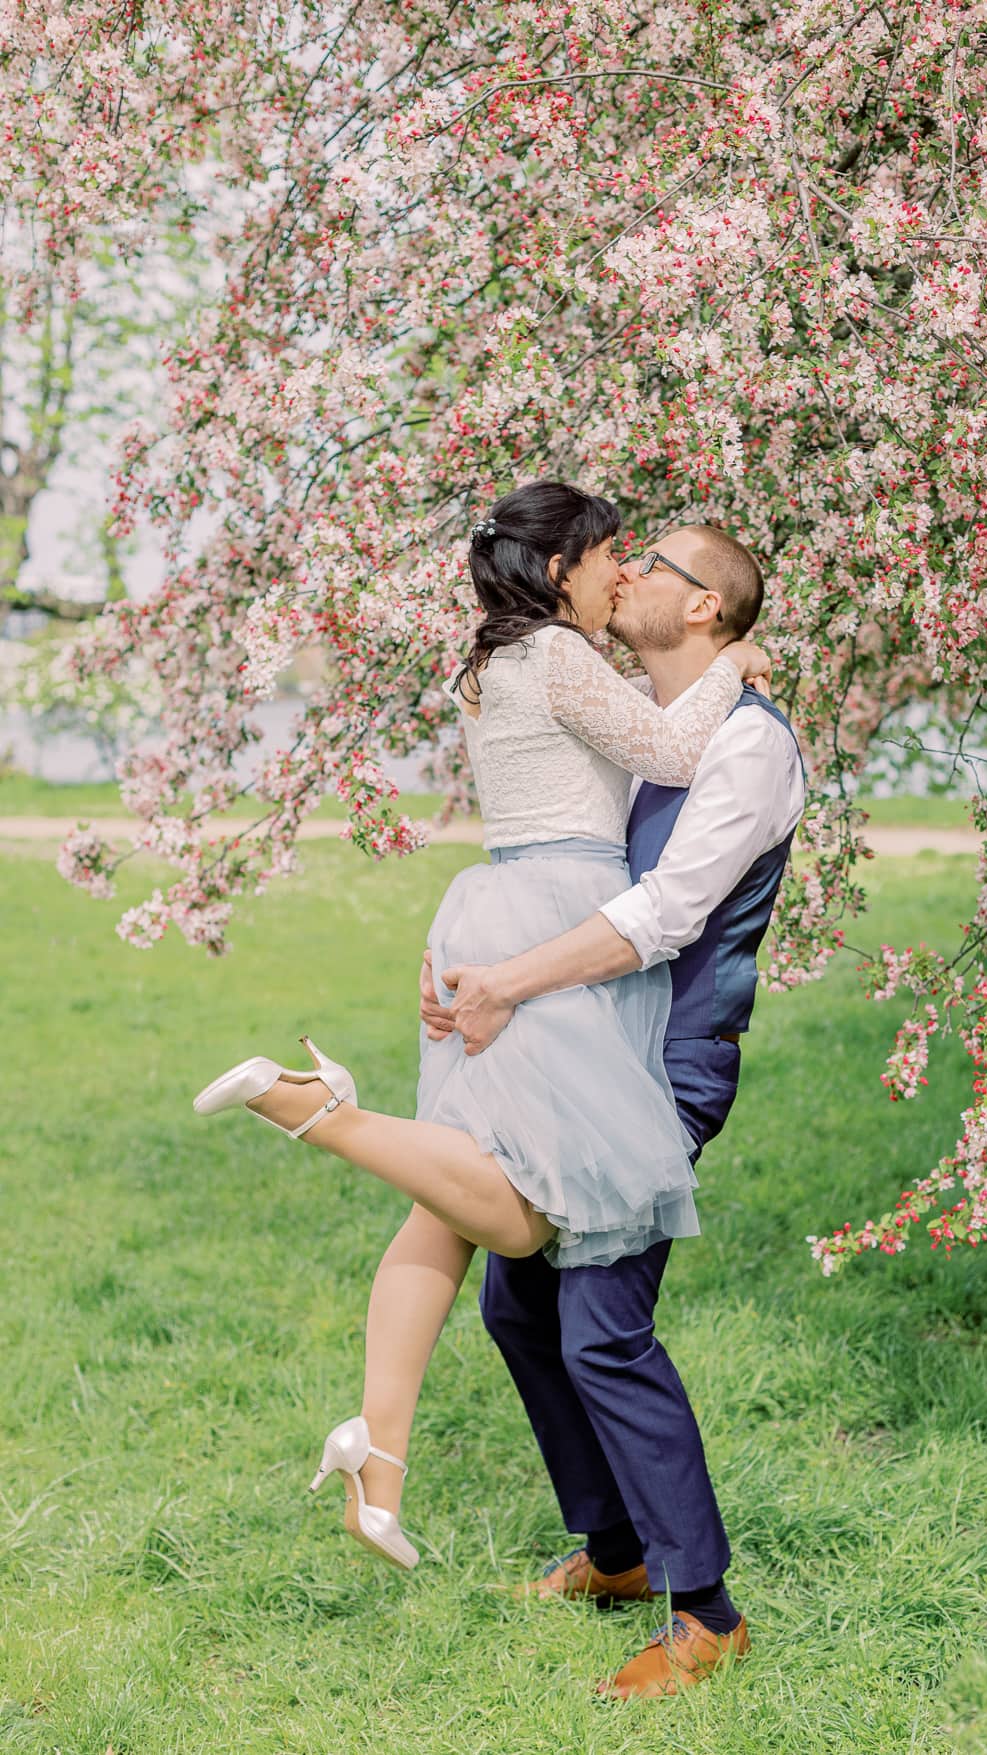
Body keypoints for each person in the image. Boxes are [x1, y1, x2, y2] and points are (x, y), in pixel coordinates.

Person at [192, 480, 769, 1582]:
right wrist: (734, 672)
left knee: (449, 1205)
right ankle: (320, 1111)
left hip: (492, 901)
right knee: (523, 1211)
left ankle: (380, 1451)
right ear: (563, 572)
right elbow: (667, 751)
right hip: (558, 917)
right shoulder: (559, 658)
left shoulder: (487, 666)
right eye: (611, 558)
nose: (623, 575)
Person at [419, 523, 804, 1698]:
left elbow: (663, 915)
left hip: (666, 1061)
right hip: (583, 1043)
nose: (625, 572)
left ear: (704, 610)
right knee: (516, 1304)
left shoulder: (749, 749)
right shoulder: (646, 737)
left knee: (602, 1326)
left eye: (657, 567)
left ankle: (711, 1614)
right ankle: (620, 1552)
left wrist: (506, 984)